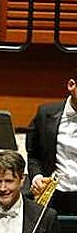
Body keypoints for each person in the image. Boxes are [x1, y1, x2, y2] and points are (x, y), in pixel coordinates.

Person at [25, 67, 77, 216]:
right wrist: (37, 177)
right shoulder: (45, 114)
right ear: (71, 85)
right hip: (54, 195)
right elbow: (34, 154)